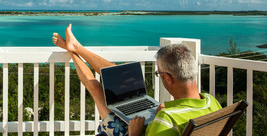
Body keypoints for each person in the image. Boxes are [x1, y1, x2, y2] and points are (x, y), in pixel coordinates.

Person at [52, 24, 221, 136]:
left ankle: (73, 50)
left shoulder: (166, 119)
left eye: (159, 74)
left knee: (97, 90)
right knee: (114, 75)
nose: (160, 77)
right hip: (163, 116)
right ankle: (76, 47)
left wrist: (135, 132)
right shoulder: (211, 103)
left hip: (132, 131)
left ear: (168, 78)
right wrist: (162, 111)